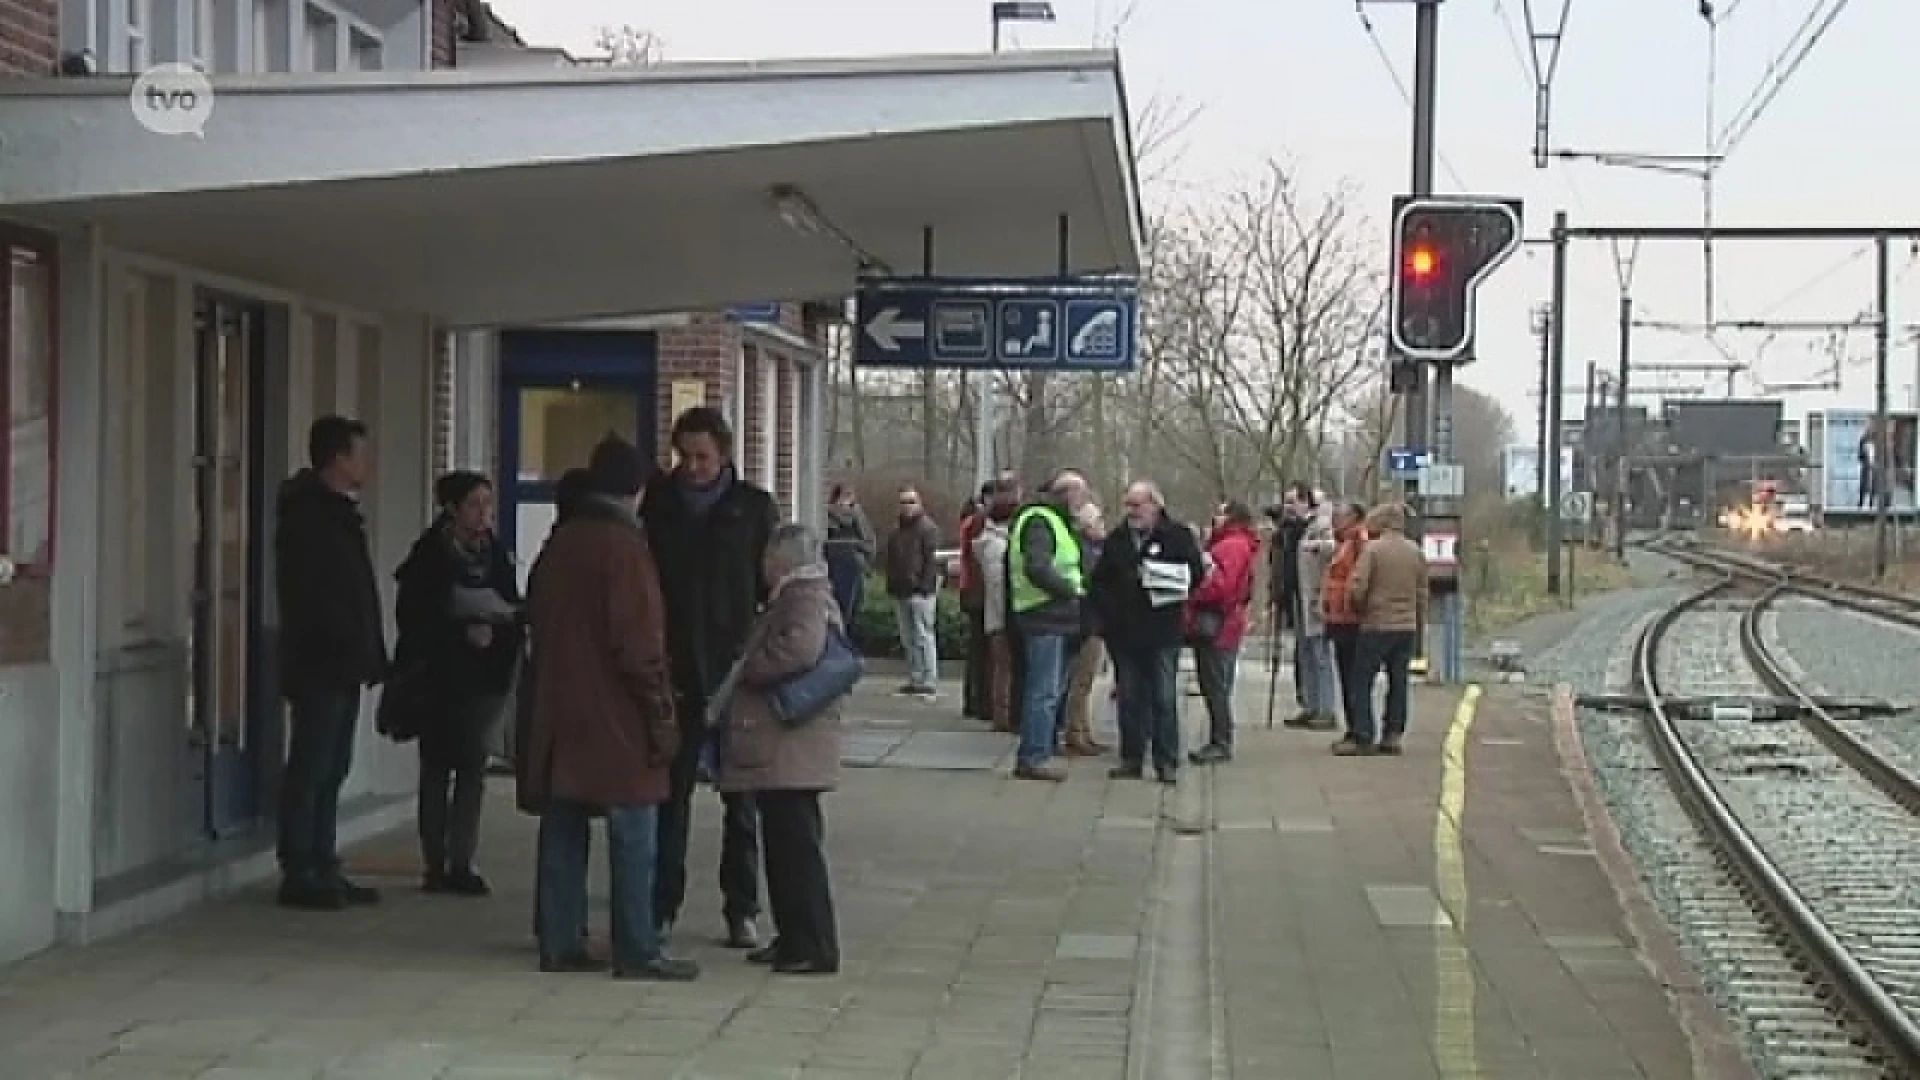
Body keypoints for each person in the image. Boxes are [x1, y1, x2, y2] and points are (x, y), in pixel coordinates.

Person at [523, 435, 697, 980]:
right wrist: (661, 713)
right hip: (616, 716)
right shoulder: (625, 550)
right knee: (634, 833)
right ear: (637, 490)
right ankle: (637, 946)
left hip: (559, 707)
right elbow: (639, 645)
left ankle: (559, 939)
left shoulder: (561, 542)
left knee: (563, 827)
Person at [641, 406, 779, 950]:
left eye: (703, 457)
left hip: (734, 668)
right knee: (667, 796)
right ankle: (661, 904)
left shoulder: (751, 510)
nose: (694, 467)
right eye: (685, 456)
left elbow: (770, 585)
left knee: (740, 797)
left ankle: (741, 907)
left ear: (724, 455)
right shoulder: (659, 506)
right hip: (674, 667)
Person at [712, 524, 846, 976]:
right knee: (786, 845)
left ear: (781, 559)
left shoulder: (803, 596)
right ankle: (793, 936)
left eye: (768, 556)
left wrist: (754, 668)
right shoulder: (801, 594)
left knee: (796, 848)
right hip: (789, 746)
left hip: (792, 744)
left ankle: (811, 944)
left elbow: (802, 649)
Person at [274, 415, 388, 911]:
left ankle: (324, 860)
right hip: (320, 660)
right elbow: (317, 595)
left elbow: (357, 592)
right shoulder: (309, 517)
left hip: (344, 662)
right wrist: (346, 641)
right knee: (312, 764)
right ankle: (300, 867)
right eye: (359, 453)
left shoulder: (342, 515)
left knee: (334, 765)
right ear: (338, 458)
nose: (366, 463)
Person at [393, 471, 522, 896]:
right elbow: (414, 617)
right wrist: (460, 631)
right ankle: (435, 859)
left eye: (488, 503)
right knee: (435, 767)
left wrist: (497, 630)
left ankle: (462, 860)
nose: (484, 513)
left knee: (472, 766)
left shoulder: (495, 556)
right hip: (439, 677)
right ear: (452, 508)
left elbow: (513, 608)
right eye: (474, 504)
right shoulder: (429, 557)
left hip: (484, 677)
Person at [1090, 481, 1206, 784]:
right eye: (1128, 505)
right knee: (1129, 697)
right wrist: (1109, 613)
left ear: (1155, 505)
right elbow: (1099, 581)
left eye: (1137, 505)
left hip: (1163, 630)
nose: (1131, 511)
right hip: (1125, 633)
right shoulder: (1117, 540)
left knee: (1164, 697)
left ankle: (1166, 760)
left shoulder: (1177, 537)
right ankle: (1131, 757)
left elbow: (1196, 574)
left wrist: (1170, 585)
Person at [1007, 470, 1093, 782]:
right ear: (1068, 494)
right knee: (1043, 691)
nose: (1085, 503)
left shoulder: (1056, 521)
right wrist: (1071, 591)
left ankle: (1039, 750)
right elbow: (1038, 567)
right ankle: (1034, 756)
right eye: (1082, 496)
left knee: (1051, 690)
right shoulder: (1040, 521)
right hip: (1044, 615)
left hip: (1058, 617)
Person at [1341, 503, 1427, 756]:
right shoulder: (1415, 552)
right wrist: (1416, 620)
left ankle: (1363, 735)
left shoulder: (1373, 550)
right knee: (1398, 682)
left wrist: (1358, 607)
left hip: (1376, 624)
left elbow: (1357, 586)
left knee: (1361, 680)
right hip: (1406, 626)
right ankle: (1393, 734)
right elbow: (1422, 591)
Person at [1186, 501, 1259, 764]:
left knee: (1215, 683)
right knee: (1217, 682)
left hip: (1218, 623)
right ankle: (1220, 738)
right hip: (1227, 621)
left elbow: (1222, 586)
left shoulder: (1230, 546)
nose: (1214, 517)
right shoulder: (1237, 544)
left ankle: (1221, 741)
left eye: (1220, 512)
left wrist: (1192, 592)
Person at [1059, 501, 1110, 757]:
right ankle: (1075, 731)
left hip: (1094, 622)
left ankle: (1083, 730)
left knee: (1085, 681)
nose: (1103, 525)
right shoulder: (1086, 551)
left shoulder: (1093, 548)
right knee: (1082, 679)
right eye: (1098, 521)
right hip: (1088, 622)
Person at [882, 485, 942, 698]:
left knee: (923, 636)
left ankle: (929, 679)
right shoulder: (895, 532)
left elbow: (931, 561)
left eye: (911, 502)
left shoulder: (928, 529)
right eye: (903, 502)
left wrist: (925, 587)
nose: (907, 506)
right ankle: (915, 678)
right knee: (908, 639)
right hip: (901, 590)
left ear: (920, 504)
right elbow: (890, 560)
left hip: (920, 591)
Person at [1291, 499, 1342, 731]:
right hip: (1302, 597)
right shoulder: (1302, 528)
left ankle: (1326, 708)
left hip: (1316, 599)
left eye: (1293, 502)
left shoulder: (1322, 526)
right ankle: (1313, 705)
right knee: (1308, 655)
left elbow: (1333, 546)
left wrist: (1315, 545)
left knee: (1321, 656)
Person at [972, 481, 1018, 733]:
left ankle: (1002, 711)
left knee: (1002, 666)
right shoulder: (996, 545)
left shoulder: (989, 542)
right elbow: (998, 583)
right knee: (1004, 666)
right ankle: (1002, 714)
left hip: (996, 613)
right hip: (1000, 614)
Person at [1322, 502, 1370, 741]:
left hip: (1350, 618)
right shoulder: (1345, 542)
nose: (1335, 519)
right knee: (1345, 671)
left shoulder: (1359, 541)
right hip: (1339, 616)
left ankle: (1359, 729)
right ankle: (1353, 727)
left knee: (1352, 673)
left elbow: (1359, 578)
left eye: (1340, 515)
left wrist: (1350, 601)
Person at [1266, 484, 1314, 720]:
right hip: (1292, 594)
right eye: (1286, 502)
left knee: (1310, 651)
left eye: (1293, 501)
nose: (1288, 507)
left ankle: (1311, 701)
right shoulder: (1285, 531)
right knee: (1300, 651)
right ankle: (1304, 701)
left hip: (1305, 594)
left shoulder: (1309, 528)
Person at [956, 482, 994, 720]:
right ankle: (979, 701)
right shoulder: (979, 523)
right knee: (982, 650)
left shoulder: (969, 521)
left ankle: (973, 700)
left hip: (971, 591)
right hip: (980, 593)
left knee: (976, 650)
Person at [823, 483, 875, 629]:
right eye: (845, 496)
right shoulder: (827, 517)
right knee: (841, 610)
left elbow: (869, 542)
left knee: (854, 612)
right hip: (836, 567)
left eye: (851, 497)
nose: (849, 501)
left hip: (854, 567)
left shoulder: (857, 516)